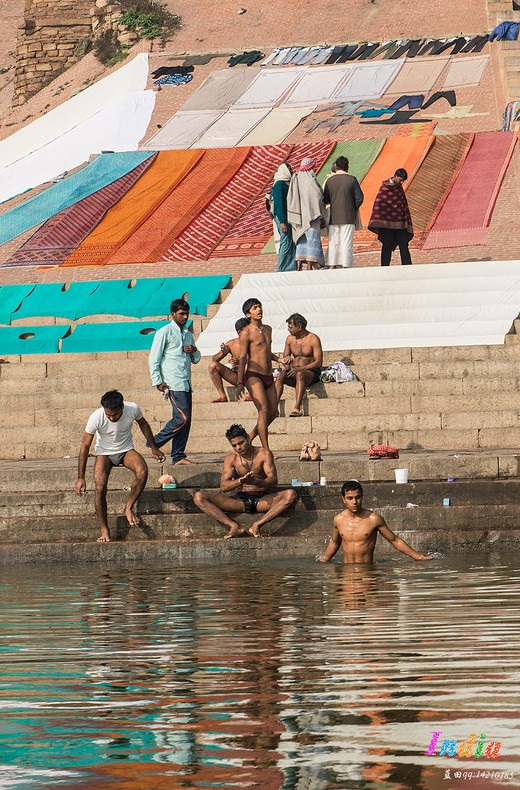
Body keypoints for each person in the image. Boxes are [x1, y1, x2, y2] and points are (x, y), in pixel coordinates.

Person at [75, 390, 165, 543]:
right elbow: (85, 446)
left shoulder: (133, 409)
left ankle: (128, 506)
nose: (111, 418)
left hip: (125, 450)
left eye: (115, 415)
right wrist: (80, 477)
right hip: (104, 453)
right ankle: (104, 529)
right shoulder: (96, 416)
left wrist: (154, 447)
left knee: (142, 470)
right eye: (108, 415)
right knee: (100, 487)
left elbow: (143, 424)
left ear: (122, 407)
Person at [193, 424, 297, 539]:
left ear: (248, 438)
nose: (238, 448)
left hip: (263, 500)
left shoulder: (264, 453)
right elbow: (223, 486)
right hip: (239, 501)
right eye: (234, 445)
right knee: (199, 497)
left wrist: (256, 482)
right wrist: (240, 481)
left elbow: (273, 481)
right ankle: (233, 526)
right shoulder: (231, 458)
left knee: (290, 494)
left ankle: (258, 524)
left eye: (241, 443)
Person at [317, 480, 433, 564]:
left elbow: (394, 540)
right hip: (347, 571)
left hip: (367, 571)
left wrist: (417, 556)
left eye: (358, 497)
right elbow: (335, 542)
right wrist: (325, 558)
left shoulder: (373, 519)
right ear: (343, 499)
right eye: (350, 498)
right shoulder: (339, 519)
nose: (354, 502)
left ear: (362, 497)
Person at [149, 298, 201, 465]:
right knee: (182, 418)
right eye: (181, 314)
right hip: (172, 382)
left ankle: (178, 456)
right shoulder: (164, 332)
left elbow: (195, 359)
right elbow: (154, 358)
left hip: (186, 382)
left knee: (186, 420)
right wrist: (157, 381)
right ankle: (154, 442)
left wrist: (193, 350)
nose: (185, 317)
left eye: (187, 313)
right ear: (173, 314)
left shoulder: (188, 334)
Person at [236, 297, 285, 450]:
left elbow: (266, 351)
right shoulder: (246, 332)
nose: (259, 310)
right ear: (247, 314)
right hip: (254, 375)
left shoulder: (268, 329)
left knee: (274, 412)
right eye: (255, 308)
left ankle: (250, 436)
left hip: (268, 375)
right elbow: (243, 358)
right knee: (263, 410)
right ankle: (266, 450)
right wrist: (240, 382)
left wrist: (280, 359)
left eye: (260, 307)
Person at [275, 313, 323, 417]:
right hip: (294, 371)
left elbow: (318, 362)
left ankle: (297, 408)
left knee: (300, 374)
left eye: (291, 327)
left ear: (299, 327)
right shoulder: (289, 339)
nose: (289, 330)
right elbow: (285, 357)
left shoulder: (313, 339)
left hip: (310, 373)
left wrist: (300, 369)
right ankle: (274, 408)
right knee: (281, 375)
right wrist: (287, 364)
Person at [323, 155, 364, 269]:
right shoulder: (352, 179)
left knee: (334, 241)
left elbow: (325, 199)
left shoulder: (330, 180)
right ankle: (346, 264)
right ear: (347, 167)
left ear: (336, 167)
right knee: (346, 241)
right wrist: (352, 207)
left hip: (334, 216)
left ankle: (332, 264)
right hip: (348, 216)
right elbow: (359, 198)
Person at [287, 157, 327, 271]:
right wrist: (320, 213)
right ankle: (309, 265)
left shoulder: (296, 178)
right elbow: (317, 195)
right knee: (312, 241)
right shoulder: (310, 180)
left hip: (300, 216)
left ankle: (299, 265)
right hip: (311, 216)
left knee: (301, 241)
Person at [368, 168, 414, 266]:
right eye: (400, 179)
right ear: (396, 176)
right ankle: (384, 266)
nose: (401, 182)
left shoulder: (399, 188)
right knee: (387, 245)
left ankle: (408, 266)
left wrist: (405, 220)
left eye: (402, 181)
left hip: (400, 223)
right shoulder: (384, 187)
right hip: (387, 223)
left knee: (404, 245)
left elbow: (403, 204)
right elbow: (379, 202)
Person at [208, 317, 250, 403]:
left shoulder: (256, 343)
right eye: (248, 330)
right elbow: (214, 359)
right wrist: (222, 353)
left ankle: (253, 393)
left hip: (253, 376)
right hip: (237, 377)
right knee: (212, 365)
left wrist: (241, 365)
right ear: (240, 332)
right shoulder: (232, 343)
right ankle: (222, 396)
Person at [270, 162, 297, 272]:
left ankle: (290, 266)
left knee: (290, 241)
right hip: (282, 217)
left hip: (287, 216)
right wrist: (282, 222)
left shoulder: (286, 183)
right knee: (285, 241)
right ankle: (281, 268)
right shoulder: (279, 184)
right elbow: (279, 204)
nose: (291, 171)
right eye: (289, 169)